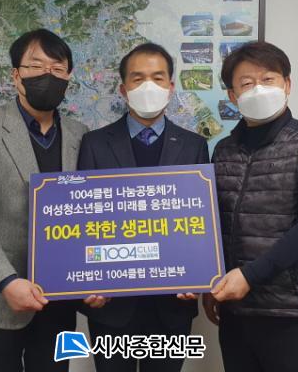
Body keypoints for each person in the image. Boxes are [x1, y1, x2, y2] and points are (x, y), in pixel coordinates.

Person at [0, 29, 88, 372]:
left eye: (57, 69)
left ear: (68, 77)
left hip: (60, 297)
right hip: (1, 298)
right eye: (36, 66)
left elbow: (91, 212)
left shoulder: (80, 134)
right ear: (16, 75)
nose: (47, 75)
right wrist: (6, 281)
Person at [205, 41, 298, 372]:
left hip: (295, 313)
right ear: (232, 96)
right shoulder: (223, 151)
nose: (259, 89)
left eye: (268, 79)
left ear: (287, 85)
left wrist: (250, 276)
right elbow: (213, 224)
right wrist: (208, 281)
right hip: (237, 312)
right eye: (247, 83)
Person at [77, 42, 210, 372]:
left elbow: (200, 220)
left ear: (171, 87)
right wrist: (87, 282)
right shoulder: (94, 143)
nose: (148, 86)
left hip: (173, 302)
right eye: (138, 79)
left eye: (158, 77)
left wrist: (198, 276)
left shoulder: (194, 146)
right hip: (111, 303)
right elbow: (83, 220)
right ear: (123, 89)